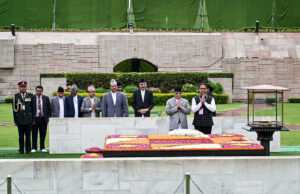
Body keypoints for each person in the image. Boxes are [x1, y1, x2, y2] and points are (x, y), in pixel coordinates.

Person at [12, 81, 36, 154]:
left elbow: (33, 108)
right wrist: (15, 121)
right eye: (22, 87)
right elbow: (14, 110)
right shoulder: (16, 96)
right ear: (19, 88)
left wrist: (33, 119)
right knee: (21, 136)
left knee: (28, 136)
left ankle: (28, 150)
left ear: (26, 87)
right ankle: (21, 150)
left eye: (24, 87)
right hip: (20, 119)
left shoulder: (30, 95)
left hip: (28, 119)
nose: (23, 88)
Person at [32, 85, 52, 153]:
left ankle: (42, 147)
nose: (39, 92)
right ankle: (34, 147)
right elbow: (31, 109)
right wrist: (32, 119)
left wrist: (47, 118)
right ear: (36, 91)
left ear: (42, 91)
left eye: (40, 91)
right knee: (34, 134)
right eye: (37, 91)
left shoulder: (46, 98)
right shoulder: (33, 98)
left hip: (43, 119)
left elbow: (49, 109)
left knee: (43, 134)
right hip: (35, 119)